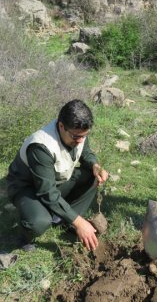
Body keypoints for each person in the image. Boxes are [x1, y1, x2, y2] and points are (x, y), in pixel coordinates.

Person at [6, 100, 109, 251]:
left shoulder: (77, 131)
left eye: (84, 136)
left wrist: (95, 165)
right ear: (61, 126)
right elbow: (46, 191)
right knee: (39, 222)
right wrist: (80, 222)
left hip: (54, 181)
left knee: (92, 177)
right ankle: (25, 234)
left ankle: (66, 220)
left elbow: (85, 152)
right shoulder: (41, 147)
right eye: (76, 137)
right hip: (27, 188)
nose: (80, 140)